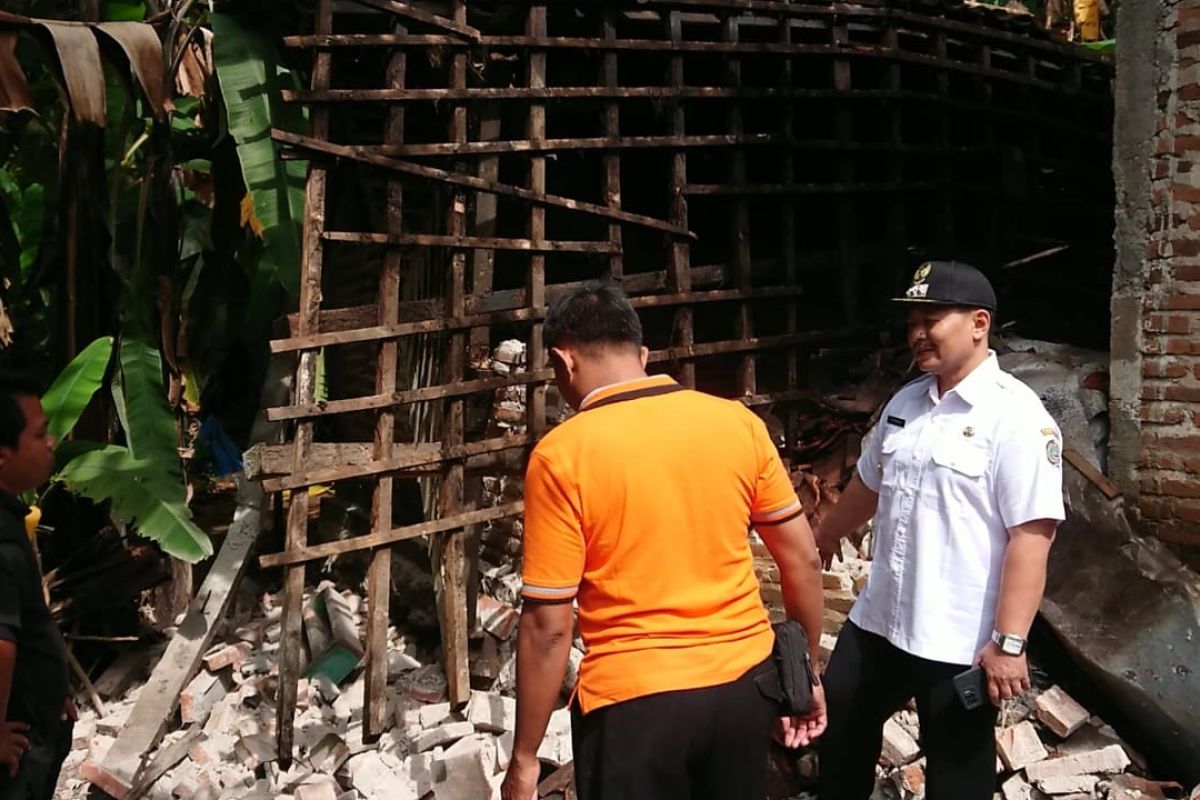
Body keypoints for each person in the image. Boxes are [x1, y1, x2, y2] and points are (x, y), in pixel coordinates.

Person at [499, 285, 827, 800]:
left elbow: (547, 627)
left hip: (635, 705)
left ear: (563, 361)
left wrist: (523, 760)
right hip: (744, 690)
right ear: (644, 356)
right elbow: (804, 560)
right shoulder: (737, 423)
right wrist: (801, 675)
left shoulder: (561, 456)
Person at [814, 261, 1066, 800]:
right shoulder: (906, 404)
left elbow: (1032, 536)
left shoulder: (1016, 417)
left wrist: (1009, 643)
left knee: (956, 771)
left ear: (979, 322)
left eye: (932, 319)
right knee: (840, 723)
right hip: (882, 617)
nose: (917, 333)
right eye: (912, 322)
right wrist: (825, 533)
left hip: (957, 634)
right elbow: (868, 484)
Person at [0, 372, 75, 800]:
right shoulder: (2, 541)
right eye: (39, 434)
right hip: (19, 743)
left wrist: (52, 689)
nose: (51, 442)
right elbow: (2, 641)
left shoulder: (10, 519)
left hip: (33, 716)